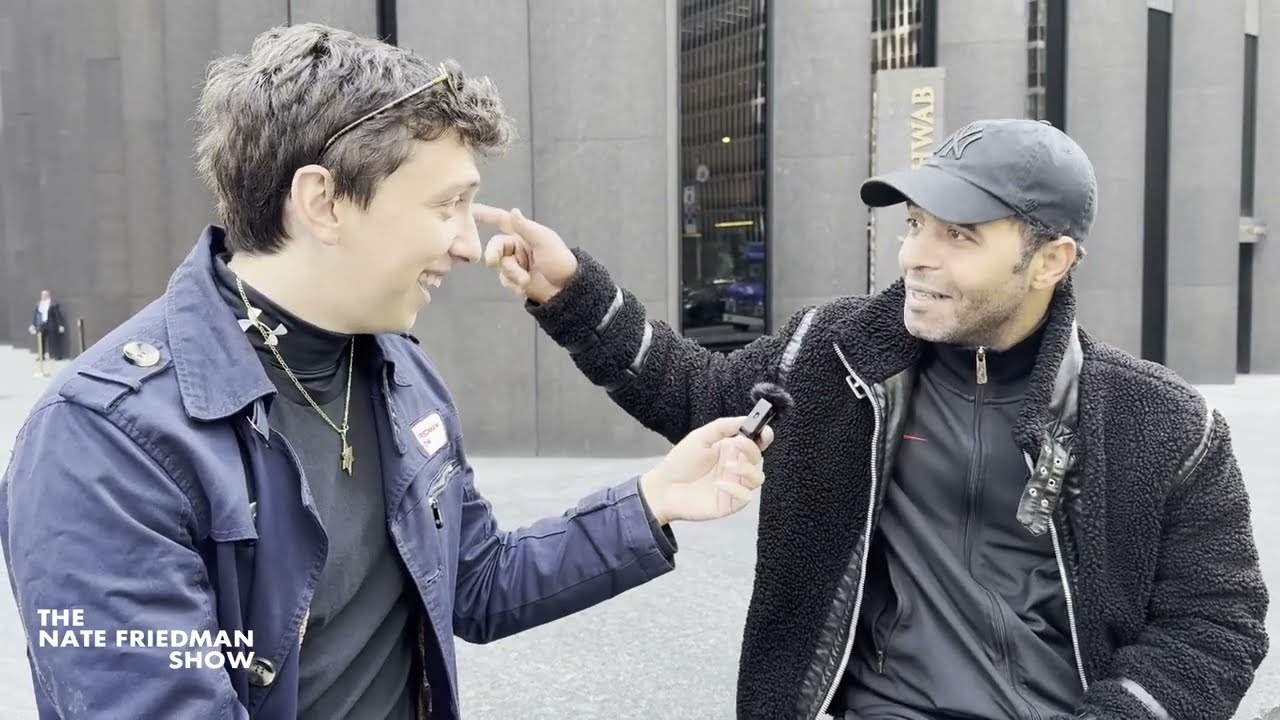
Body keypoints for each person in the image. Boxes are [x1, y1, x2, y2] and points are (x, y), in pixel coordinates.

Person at [0, 24, 773, 720]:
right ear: (324, 202)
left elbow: (475, 581)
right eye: (448, 206)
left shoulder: (399, 369)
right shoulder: (104, 443)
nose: (470, 246)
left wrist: (652, 500)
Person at [478, 118, 1269, 720]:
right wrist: (572, 292)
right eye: (914, 225)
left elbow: (1218, 626)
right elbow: (698, 393)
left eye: (958, 236)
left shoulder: (1164, 425)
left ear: (1051, 260)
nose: (916, 256)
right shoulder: (836, 353)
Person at [28, 289, 68, 360]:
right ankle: (41, 355)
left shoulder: (52, 304)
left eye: (45, 294)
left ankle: (57, 355)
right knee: (41, 340)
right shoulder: (39, 304)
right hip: (41, 324)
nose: (43, 296)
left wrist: (60, 325)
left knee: (53, 341)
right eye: (42, 295)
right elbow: (36, 315)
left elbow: (57, 315)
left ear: (48, 295)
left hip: (51, 324)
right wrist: (33, 324)